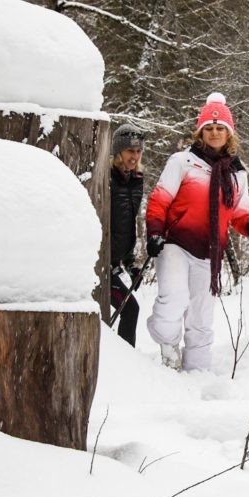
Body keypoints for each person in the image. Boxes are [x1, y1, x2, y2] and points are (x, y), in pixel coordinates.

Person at [145, 93, 249, 370]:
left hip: (209, 252)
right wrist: (154, 232)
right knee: (174, 297)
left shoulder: (237, 174)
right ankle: (168, 349)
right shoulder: (183, 161)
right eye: (209, 128)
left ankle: (197, 371)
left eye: (220, 128)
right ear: (201, 131)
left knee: (201, 316)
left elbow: (240, 215)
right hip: (175, 243)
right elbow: (160, 199)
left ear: (229, 133)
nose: (214, 132)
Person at [109, 123, 146, 347]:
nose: (135, 156)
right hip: (98, 267)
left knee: (130, 309)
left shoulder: (136, 180)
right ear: (118, 152)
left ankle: (124, 361)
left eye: (139, 151)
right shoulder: (106, 178)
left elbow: (127, 225)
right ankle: (123, 363)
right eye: (130, 151)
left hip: (114, 263)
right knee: (129, 309)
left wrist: (131, 264)